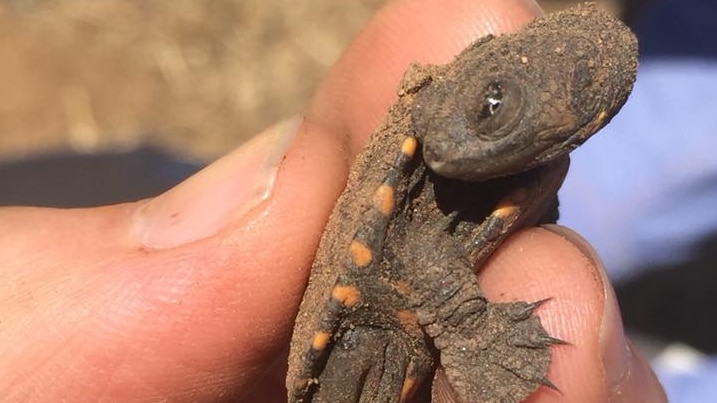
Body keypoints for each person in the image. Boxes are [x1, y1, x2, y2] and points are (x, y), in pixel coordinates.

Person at [0, 0, 665, 401]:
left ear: (581, 121)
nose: (450, 148)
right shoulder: (463, 132)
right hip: (360, 330)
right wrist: (467, 327)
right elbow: (426, 246)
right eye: (487, 97)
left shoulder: (543, 140)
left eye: (498, 111)